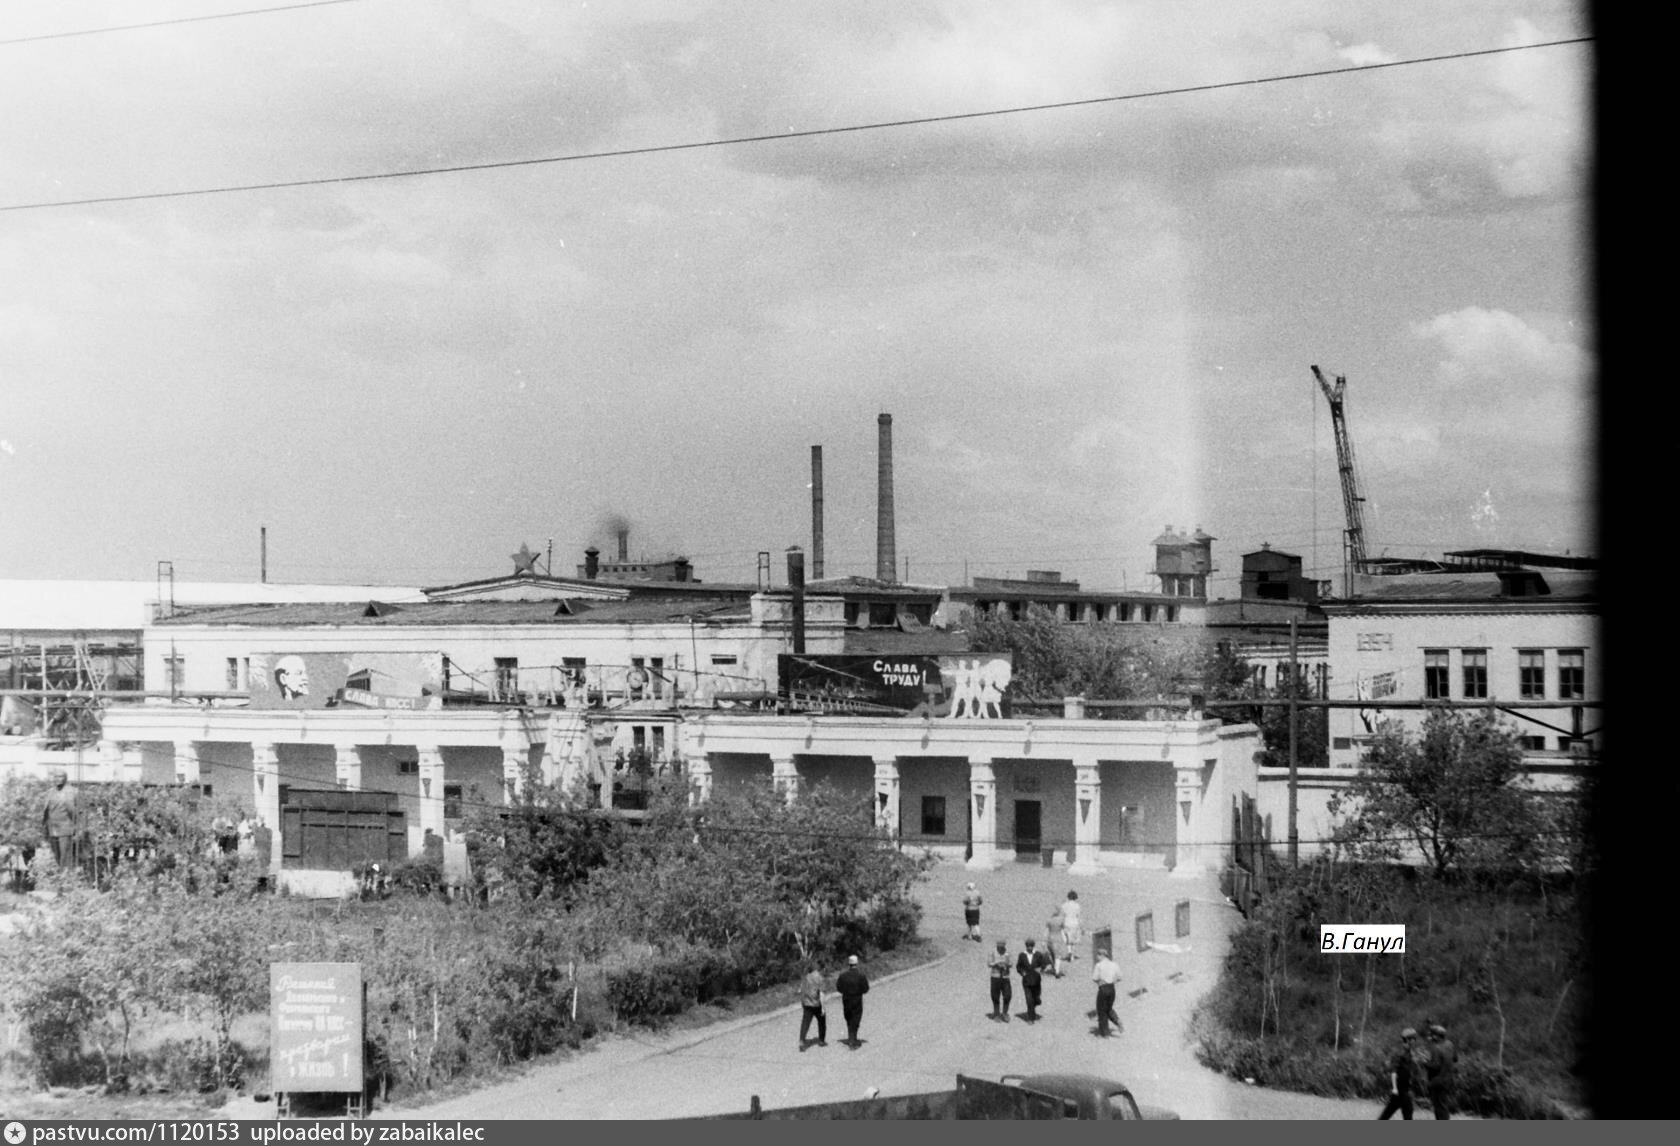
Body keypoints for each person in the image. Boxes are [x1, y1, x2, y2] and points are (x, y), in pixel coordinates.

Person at [41, 768, 80, 869]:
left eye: (60, 776)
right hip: (52, 829)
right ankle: (60, 875)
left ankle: (66, 875)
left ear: (65, 778)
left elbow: (81, 812)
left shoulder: (73, 792)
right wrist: (44, 828)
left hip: (66, 828)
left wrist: (80, 829)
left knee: (65, 857)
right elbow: (46, 811)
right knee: (56, 857)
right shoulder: (49, 792)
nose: (58, 779)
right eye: (56, 777)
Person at [1377, 1028, 1420, 1119]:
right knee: (1387, 1114)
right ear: (1408, 1040)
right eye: (1413, 1039)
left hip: (1405, 1090)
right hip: (1399, 1090)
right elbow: (1394, 1071)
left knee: (1407, 1113)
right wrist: (1394, 1088)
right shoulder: (1400, 1052)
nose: (1415, 1041)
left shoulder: (1409, 1052)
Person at [1423, 1022, 1456, 1119]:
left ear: (1436, 1036)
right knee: (1444, 1105)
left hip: (1438, 1081)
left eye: (1432, 1035)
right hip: (1449, 1079)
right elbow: (1455, 1058)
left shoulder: (1436, 1047)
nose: (1430, 1037)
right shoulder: (1450, 1044)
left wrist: (1425, 1063)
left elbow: (1435, 1066)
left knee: (1438, 1107)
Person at [836, 954, 870, 1048]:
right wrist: (859, 991)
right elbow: (866, 988)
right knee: (856, 1018)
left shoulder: (843, 975)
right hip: (857, 999)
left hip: (846, 999)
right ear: (857, 963)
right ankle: (853, 1039)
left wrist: (845, 992)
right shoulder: (861, 975)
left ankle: (851, 1037)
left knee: (848, 1017)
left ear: (849, 963)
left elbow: (838, 987)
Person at [1091, 949, 1122, 1037]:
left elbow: (1094, 978)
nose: (1097, 957)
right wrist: (1112, 981)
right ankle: (1117, 1021)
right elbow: (1120, 977)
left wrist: (1100, 982)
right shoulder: (1114, 964)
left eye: (1098, 955)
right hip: (1112, 988)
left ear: (1101, 955)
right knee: (1109, 1008)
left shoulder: (1099, 965)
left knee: (1101, 1010)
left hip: (1103, 988)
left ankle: (1105, 1033)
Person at [1017, 938, 1049, 1021]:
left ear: (1033, 946)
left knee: (1035, 999)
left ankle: (1036, 1002)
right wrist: (1022, 972)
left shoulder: (1038, 954)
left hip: (1036, 980)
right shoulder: (1022, 955)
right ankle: (1031, 1018)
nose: (1029, 948)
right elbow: (1018, 967)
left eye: (1031, 946)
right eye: (1028, 946)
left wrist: (1041, 968)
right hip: (1026, 981)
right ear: (1026, 946)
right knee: (1029, 1000)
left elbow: (1044, 964)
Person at [798, 964, 828, 1050]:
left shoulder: (807, 976)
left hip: (806, 1003)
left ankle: (802, 1040)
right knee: (821, 1021)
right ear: (822, 969)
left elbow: (801, 989)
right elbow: (821, 994)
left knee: (805, 1022)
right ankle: (821, 1040)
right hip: (816, 1004)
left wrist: (802, 1001)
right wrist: (823, 1008)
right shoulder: (820, 978)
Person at [988, 940, 1014, 1021]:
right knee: (995, 996)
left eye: (1002, 946)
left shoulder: (1008, 952)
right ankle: (996, 1014)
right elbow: (989, 963)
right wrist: (996, 963)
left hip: (1005, 977)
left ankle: (1005, 1013)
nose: (1001, 948)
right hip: (995, 976)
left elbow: (1011, 963)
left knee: (1008, 995)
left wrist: (1006, 964)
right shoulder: (992, 952)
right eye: (999, 946)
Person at [1059, 890, 1082, 961]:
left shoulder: (1064, 905)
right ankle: (1072, 954)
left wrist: (1061, 923)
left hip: (1067, 922)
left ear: (1068, 897)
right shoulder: (1077, 905)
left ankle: (1069, 952)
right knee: (1073, 938)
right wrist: (1080, 925)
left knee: (1067, 938)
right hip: (1075, 922)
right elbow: (1078, 916)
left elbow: (1062, 915)